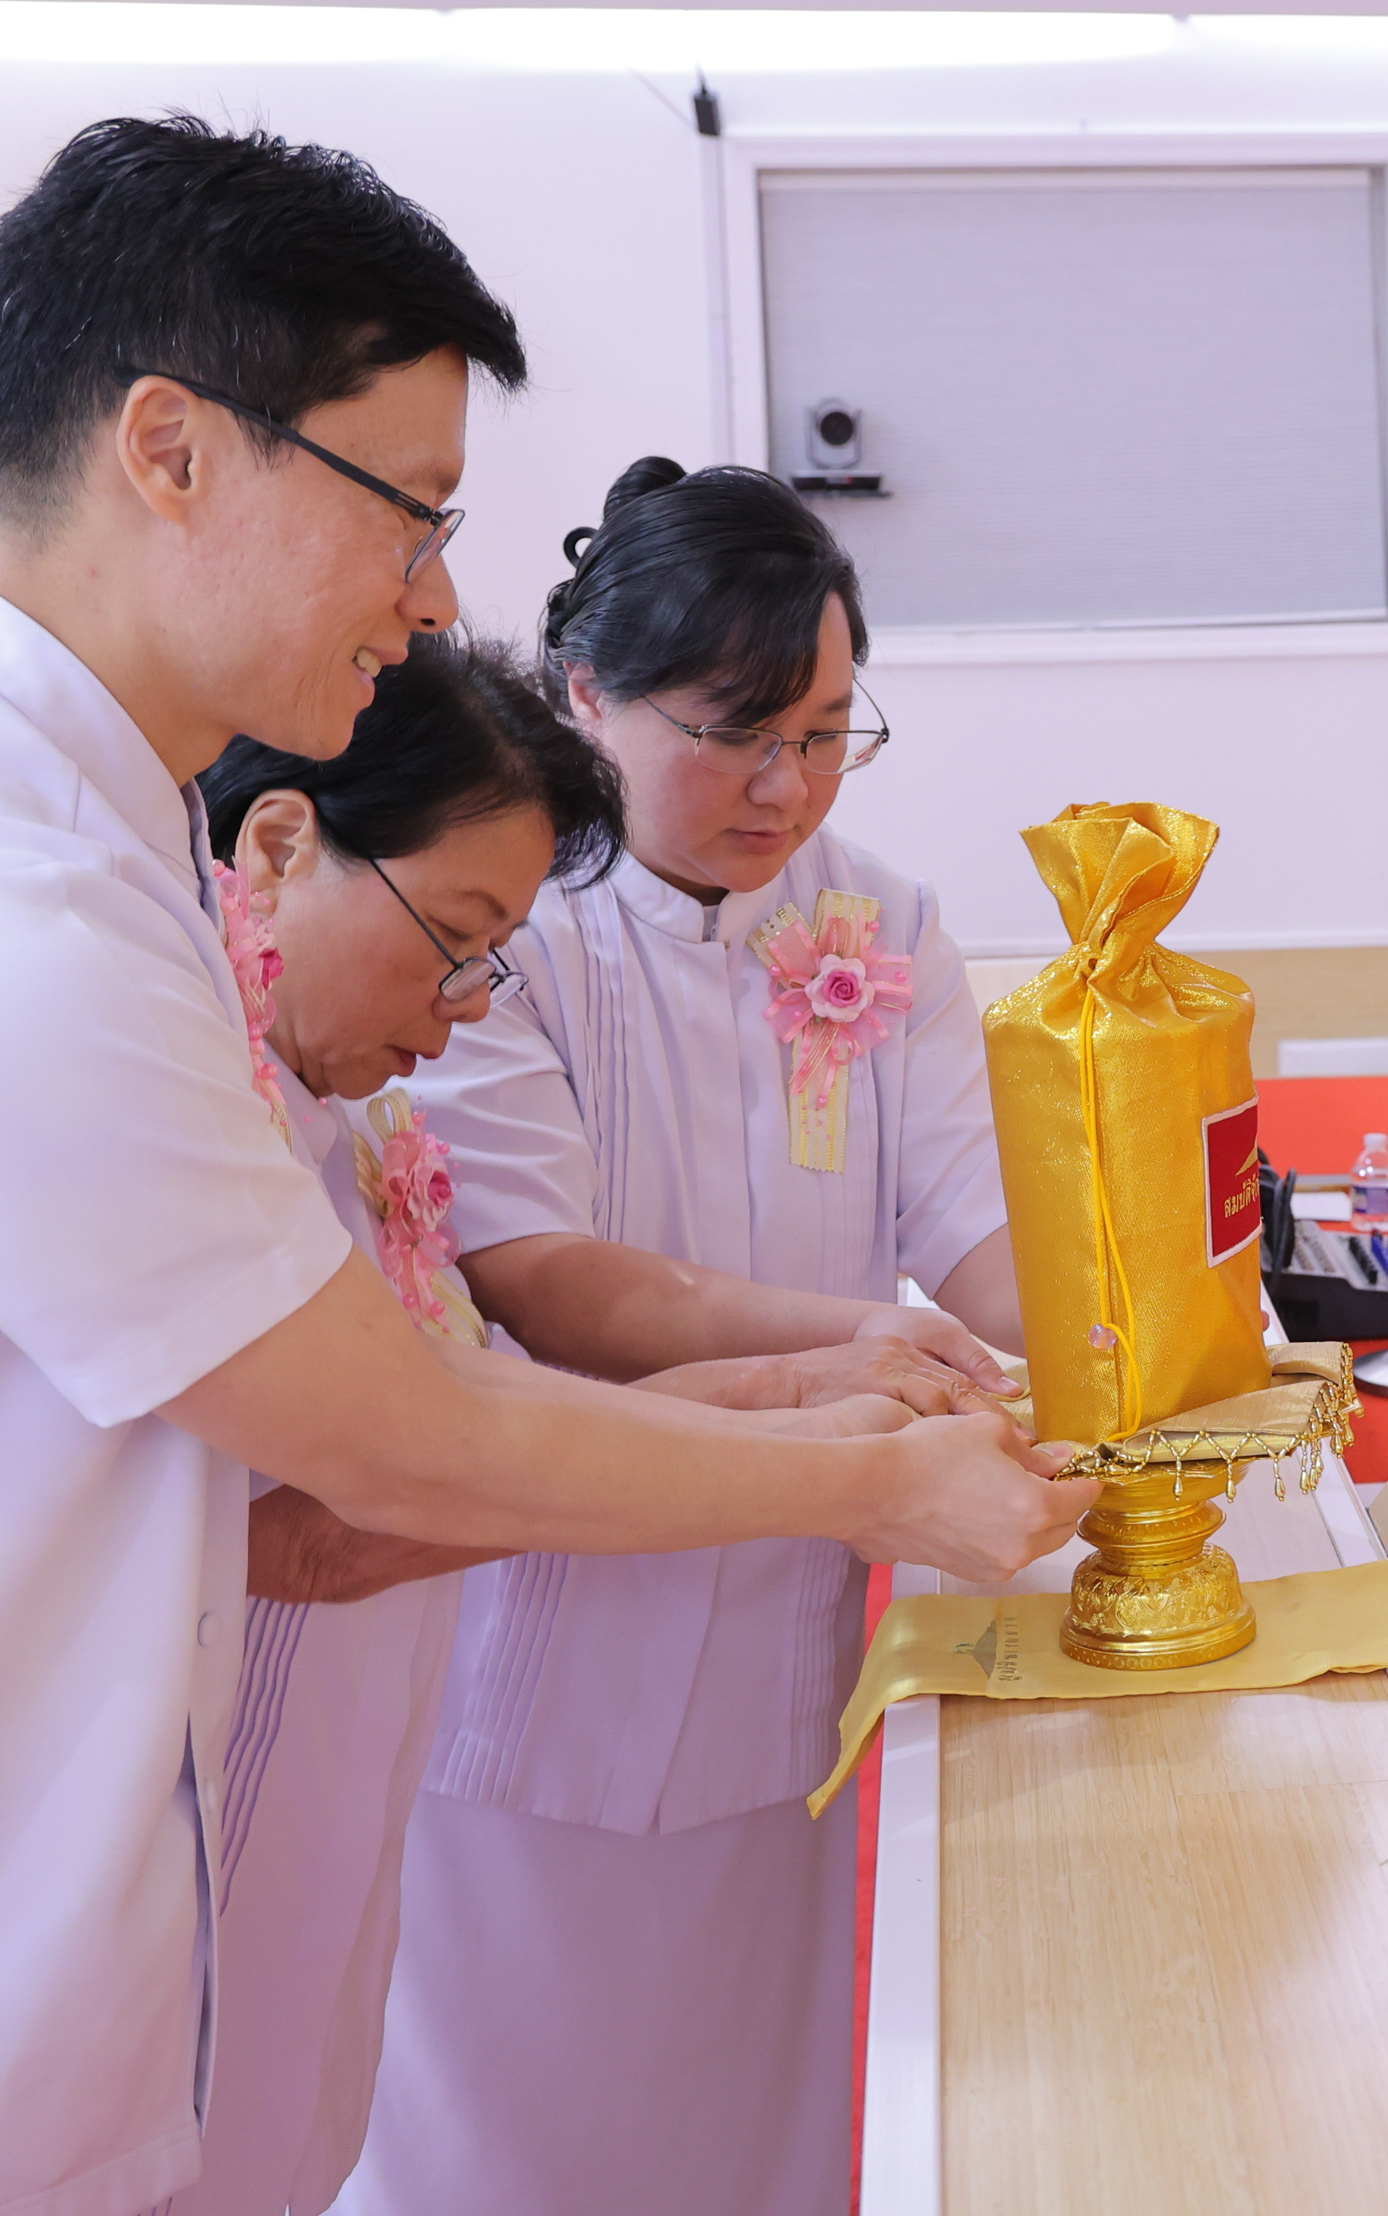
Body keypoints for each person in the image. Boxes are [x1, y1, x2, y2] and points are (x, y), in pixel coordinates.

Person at [0, 117, 1088, 2215]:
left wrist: (796, 1390)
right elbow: (402, 1437)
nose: (440, 593)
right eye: (410, 512)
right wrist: (869, 1465)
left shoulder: (91, 863)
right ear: (172, 450)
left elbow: (307, 1500)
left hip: (30, 1983)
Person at [181, 633, 1021, 2216]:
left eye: (829, 733)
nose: (454, 1017)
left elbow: (467, 1403)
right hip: (299, 1769)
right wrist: (844, 1447)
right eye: (453, 949)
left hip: (393, 1735)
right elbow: (356, 1513)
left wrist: (824, 1407)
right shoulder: (202, 1111)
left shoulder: (343, 1105)